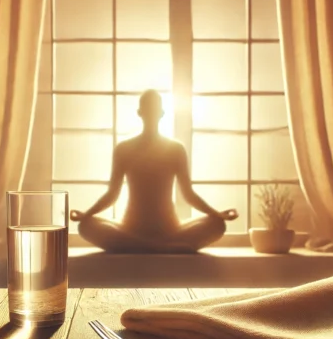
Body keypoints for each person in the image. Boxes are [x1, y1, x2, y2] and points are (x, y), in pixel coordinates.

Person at [70, 89, 238, 253]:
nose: (151, 114)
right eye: (148, 109)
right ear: (140, 113)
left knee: (217, 224)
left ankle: (141, 246)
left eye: (153, 109)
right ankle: (158, 246)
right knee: (86, 226)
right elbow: (112, 194)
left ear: (161, 113)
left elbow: (188, 194)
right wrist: (86, 215)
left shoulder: (175, 149)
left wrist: (217, 215)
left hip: (169, 230)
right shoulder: (124, 149)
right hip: (132, 229)